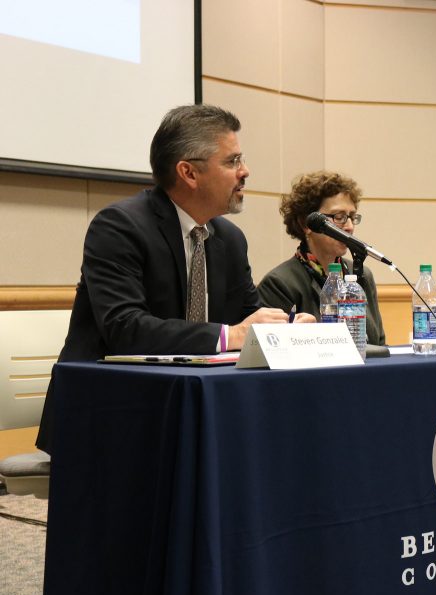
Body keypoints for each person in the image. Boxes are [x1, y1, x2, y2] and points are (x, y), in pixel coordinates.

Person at [38, 104, 313, 450]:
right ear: (189, 173)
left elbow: (247, 320)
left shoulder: (229, 239)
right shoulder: (119, 227)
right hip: (109, 410)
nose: (246, 172)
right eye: (232, 161)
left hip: (188, 405)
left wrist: (282, 330)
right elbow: (126, 328)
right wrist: (235, 335)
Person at [258, 171, 386, 345]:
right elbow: (275, 350)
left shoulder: (362, 275)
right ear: (307, 224)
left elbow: (379, 344)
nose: (348, 227)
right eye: (339, 217)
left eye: (352, 217)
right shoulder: (279, 284)